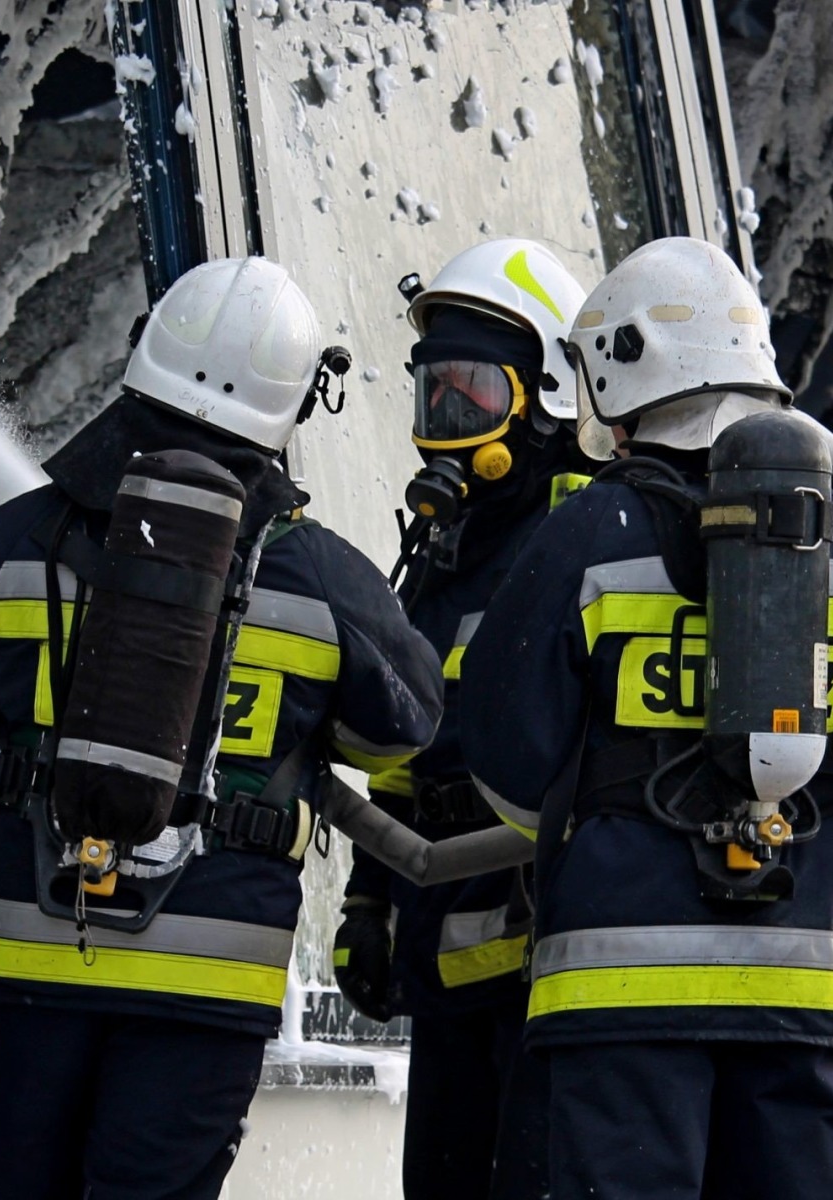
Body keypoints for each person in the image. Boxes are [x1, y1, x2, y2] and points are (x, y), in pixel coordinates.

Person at [458, 237, 833, 1200]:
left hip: (615, 999)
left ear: (628, 376)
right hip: (794, 995)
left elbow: (504, 762)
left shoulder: (586, 531)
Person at [0, 256, 444, 1200]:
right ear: (293, 402)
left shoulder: (19, 538)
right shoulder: (323, 584)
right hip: (206, 987)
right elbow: (408, 728)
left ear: (144, 356)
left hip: (28, 964)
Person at [333, 238, 588, 1199]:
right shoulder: (442, 553)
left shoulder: (581, 539)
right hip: (444, 948)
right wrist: (367, 897)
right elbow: (404, 747)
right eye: (433, 396)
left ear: (548, 395)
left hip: (540, 967)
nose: (447, 426)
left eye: (474, 396)